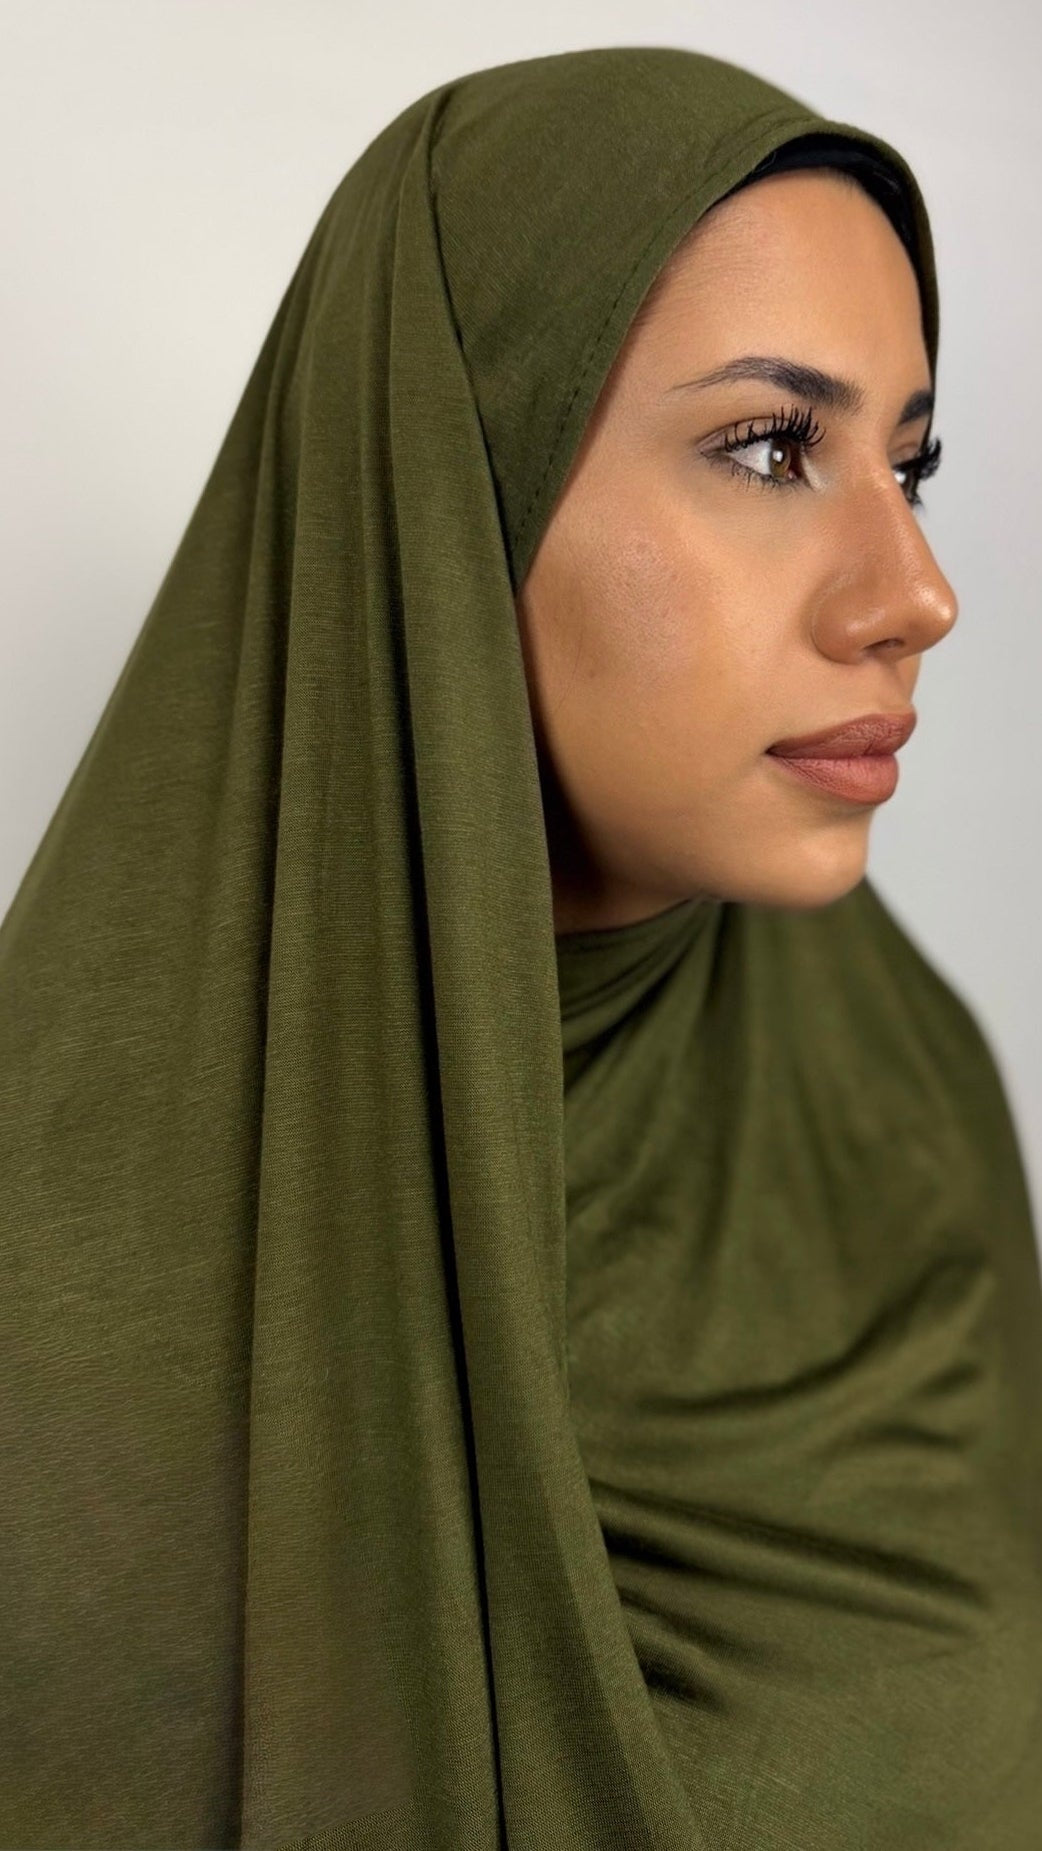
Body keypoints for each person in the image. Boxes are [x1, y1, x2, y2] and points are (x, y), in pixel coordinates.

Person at [0, 44, 1039, 1851]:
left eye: (908, 464)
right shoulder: (58, 1277)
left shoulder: (899, 1106)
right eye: (769, 447)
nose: (915, 598)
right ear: (445, 494)